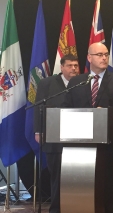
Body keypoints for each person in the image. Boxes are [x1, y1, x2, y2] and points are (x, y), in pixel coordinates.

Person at [63, 43, 113, 213]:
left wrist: (107, 112)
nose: (104, 58)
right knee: (84, 186)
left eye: (106, 54)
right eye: (99, 54)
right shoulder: (77, 81)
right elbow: (67, 107)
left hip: (110, 145)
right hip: (80, 144)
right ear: (89, 58)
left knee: (109, 186)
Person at [34, 54, 80, 213]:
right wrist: (39, 130)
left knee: (75, 176)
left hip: (77, 137)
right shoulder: (47, 83)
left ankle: (74, 208)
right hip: (54, 137)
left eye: (76, 65)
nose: (73, 68)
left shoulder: (82, 82)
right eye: (70, 65)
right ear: (61, 67)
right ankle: (56, 209)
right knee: (56, 176)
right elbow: (39, 107)